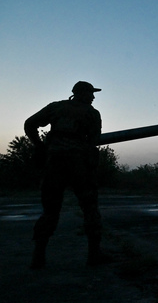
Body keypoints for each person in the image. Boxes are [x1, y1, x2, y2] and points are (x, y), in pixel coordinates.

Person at [24, 81, 108, 268]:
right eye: (91, 94)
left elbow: (30, 124)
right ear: (83, 94)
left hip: (54, 164)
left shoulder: (56, 107)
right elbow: (94, 141)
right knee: (90, 207)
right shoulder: (91, 113)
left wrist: (40, 146)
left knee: (50, 210)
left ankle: (38, 257)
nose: (93, 97)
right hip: (79, 165)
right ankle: (94, 255)